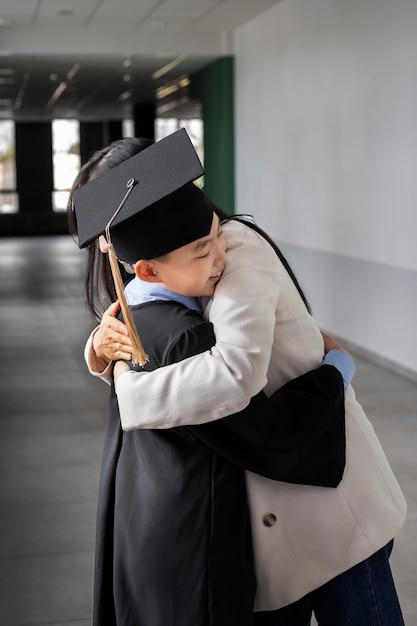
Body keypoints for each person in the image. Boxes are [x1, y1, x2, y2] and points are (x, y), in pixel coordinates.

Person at [87, 130, 407, 624]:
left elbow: (236, 371)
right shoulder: (158, 273)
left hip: (329, 494)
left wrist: (131, 391)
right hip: (272, 512)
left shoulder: (233, 247)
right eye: (202, 246)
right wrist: (98, 349)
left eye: (212, 235)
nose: (216, 254)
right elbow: (144, 325)